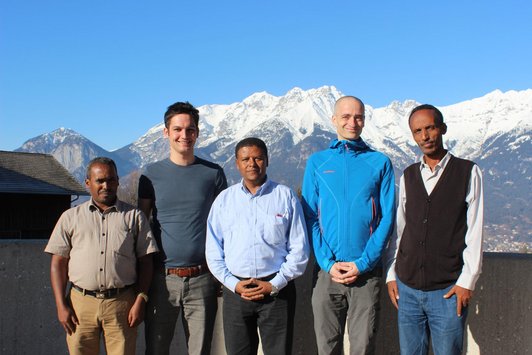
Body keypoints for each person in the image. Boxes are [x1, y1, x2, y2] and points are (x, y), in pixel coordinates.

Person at [385, 104, 484, 355]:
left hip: (448, 291)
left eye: (429, 128)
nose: (425, 136)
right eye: (417, 131)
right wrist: (391, 273)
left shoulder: (468, 172)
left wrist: (467, 282)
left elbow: (475, 231)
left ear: (442, 129)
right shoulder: (408, 176)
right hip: (407, 289)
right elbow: (401, 229)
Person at [301, 96, 396, 355]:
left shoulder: (380, 162)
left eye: (358, 117)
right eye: (345, 116)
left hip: (366, 274)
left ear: (364, 120)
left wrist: (363, 263)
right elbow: (309, 215)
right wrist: (327, 263)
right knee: (326, 348)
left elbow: (387, 217)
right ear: (333, 120)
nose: (352, 122)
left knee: (363, 347)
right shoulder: (317, 163)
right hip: (326, 274)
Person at [206, 137, 310, 355]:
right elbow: (214, 252)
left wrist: (275, 284)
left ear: (267, 160)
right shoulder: (224, 201)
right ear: (236, 163)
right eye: (245, 159)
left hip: (277, 293)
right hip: (236, 294)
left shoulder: (285, 197)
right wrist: (233, 284)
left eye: (258, 158)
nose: (252, 164)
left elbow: (299, 250)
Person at [138, 101, 227, 355]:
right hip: (160, 279)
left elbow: (224, 226)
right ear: (166, 132)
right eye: (177, 129)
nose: (184, 136)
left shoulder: (213, 174)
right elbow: (141, 228)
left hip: (203, 280)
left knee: (200, 351)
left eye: (190, 130)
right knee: (155, 349)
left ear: (197, 132)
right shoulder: (150, 176)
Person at [45, 157, 158, 355]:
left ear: (117, 181)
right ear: (88, 183)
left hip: (122, 304)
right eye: (100, 181)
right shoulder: (70, 217)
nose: (106, 185)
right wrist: (60, 305)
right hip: (80, 305)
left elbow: (146, 261)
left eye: (111, 180)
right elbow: (58, 263)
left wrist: (141, 298)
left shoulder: (134, 216)